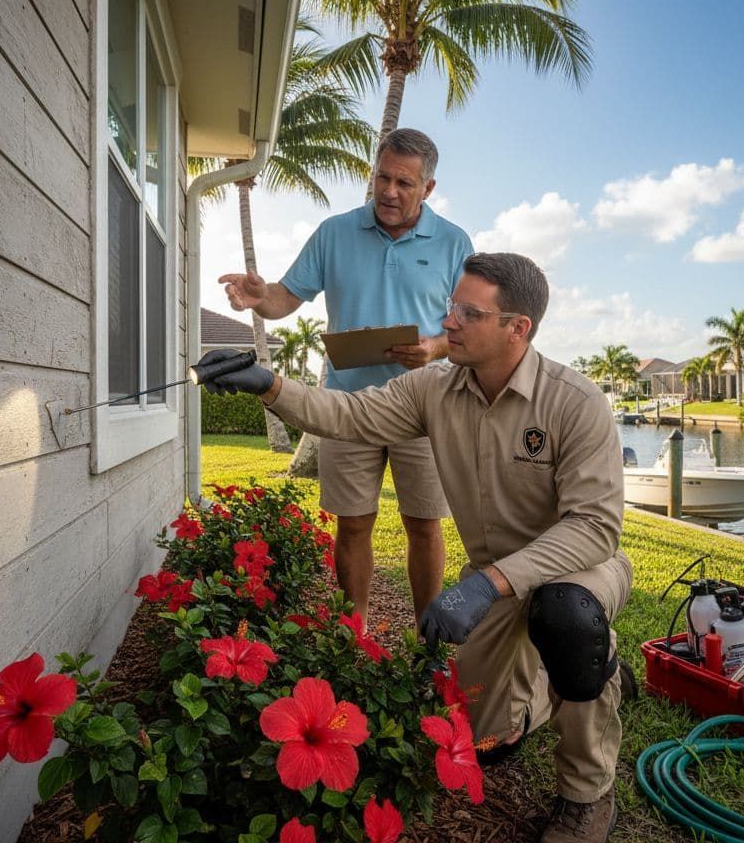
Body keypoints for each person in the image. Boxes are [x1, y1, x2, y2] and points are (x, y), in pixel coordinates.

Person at [199, 253, 633, 843]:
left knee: (566, 616)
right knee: (486, 744)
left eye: (468, 312)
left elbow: (594, 529)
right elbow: (350, 414)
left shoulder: (574, 402)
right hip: (496, 581)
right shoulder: (436, 386)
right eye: (451, 306)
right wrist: (269, 385)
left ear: (518, 328)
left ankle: (588, 794)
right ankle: (580, 680)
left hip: (579, 569)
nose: (448, 321)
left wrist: (485, 585)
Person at [219, 128, 473, 623]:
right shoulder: (334, 232)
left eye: (404, 182)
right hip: (346, 406)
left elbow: (468, 325)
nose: (389, 191)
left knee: (424, 524)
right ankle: (349, 635)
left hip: (424, 406)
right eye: (382, 177)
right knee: (353, 525)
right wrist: (258, 296)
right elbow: (285, 298)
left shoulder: (454, 242)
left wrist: (436, 348)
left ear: (429, 189)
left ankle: (428, 639)